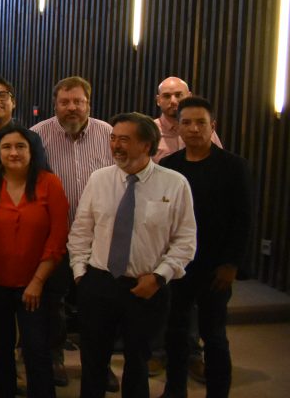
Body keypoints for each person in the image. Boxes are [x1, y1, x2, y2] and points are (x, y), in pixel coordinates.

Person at [68, 112, 196, 398]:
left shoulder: (174, 184)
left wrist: (160, 277)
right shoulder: (99, 179)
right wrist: (80, 274)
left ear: (147, 145)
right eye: (113, 138)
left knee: (138, 362)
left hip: (147, 286)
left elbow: (185, 241)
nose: (116, 146)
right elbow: (81, 230)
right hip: (98, 283)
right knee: (93, 361)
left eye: (124, 140)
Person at [159, 97, 250, 398]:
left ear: (213, 126)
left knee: (214, 336)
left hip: (216, 266)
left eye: (201, 122)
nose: (194, 129)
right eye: (186, 123)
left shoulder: (234, 166)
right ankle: (174, 390)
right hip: (178, 265)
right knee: (175, 333)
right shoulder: (169, 166)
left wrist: (231, 264)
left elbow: (243, 218)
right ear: (179, 128)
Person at [30, 76, 116, 387]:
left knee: (97, 305)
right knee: (53, 304)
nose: (71, 108)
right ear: (55, 104)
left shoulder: (108, 134)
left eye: (78, 101)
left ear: (88, 103)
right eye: (65, 102)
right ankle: (55, 358)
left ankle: (99, 363)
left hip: (98, 238)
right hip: (54, 237)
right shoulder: (37, 136)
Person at [0, 126, 69, 398]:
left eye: (21, 146)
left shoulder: (49, 183)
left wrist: (38, 281)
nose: (14, 152)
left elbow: (58, 236)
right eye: (7, 147)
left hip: (38, 283)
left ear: (32, 151)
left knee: (37, 347)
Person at [153, 77, 222, 162]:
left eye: (178, 95)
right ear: (158, 100)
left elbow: (220, 161)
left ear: (189, 96)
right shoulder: (149, 132)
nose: (173, 101)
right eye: (167, 96)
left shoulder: (204, 129)